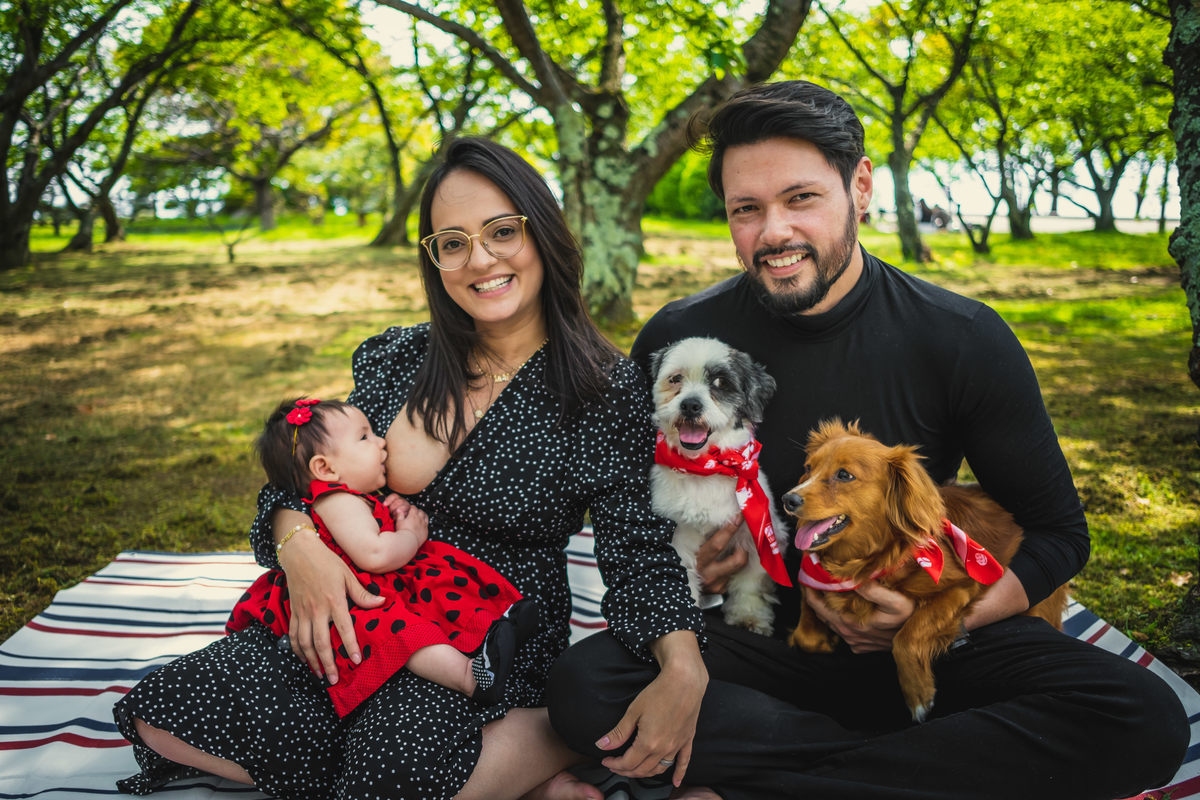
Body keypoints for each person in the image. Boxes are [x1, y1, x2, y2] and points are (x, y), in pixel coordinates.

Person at [546, 80, 1190, 799]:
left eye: (800, 199)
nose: (773, 233)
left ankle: (786, 778)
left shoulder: (962, 338)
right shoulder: (679, 340)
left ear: (860, 187)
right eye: (746, 210)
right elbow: (630, 520)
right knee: (582, 687)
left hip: (924, 636)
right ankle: (916, 765)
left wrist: (933, 621)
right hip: (764, 639)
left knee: (1143, 717)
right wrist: (688, 617)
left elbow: (1059, 533)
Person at [110, 137, 708, 800]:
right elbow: (308, 475)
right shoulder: (398, 359)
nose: (479, 260)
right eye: (452, 242)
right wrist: (300, 548)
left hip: (478, 641)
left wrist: (682, 666)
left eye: (502, 231)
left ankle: (537, 738)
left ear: (544, 232)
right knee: (161, 711)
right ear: (433, 258)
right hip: (363, 614)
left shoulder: (606, 392)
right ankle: (502, 779)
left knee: (389, 776)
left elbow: (639, 557)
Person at [224, 396, 539, 714]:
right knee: (408, 634)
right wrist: (410, 535)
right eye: (365, 437)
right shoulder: (335, 500)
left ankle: (499, 622)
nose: (381, 442)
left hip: (376, 590)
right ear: (325, 468)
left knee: (432, 596)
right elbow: (374, 554)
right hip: (360, 605)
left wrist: (393, 515)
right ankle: (469, 677)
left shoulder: (350, 497)